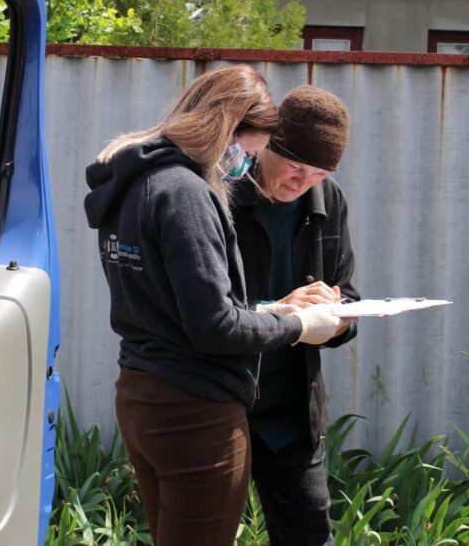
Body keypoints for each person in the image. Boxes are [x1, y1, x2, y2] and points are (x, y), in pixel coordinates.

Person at [83, 66, 352, 546]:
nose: (243, 168)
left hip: (149, 394)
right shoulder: (188, 193)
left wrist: (285, 313)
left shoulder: (135, 181)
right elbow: (214, 325)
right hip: (196, 406)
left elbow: (184, 306)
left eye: (319, 176)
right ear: (227, 132)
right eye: (249, 153)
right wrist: (297, 323)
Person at [231, 85, 359, 546]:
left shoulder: (330, 201)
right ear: (268, 144)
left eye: (319, 172)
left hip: (290, 413)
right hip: (220, 401)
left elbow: (348, 299)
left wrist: (339, 317)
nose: (303, 181)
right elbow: (205, 312)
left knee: (310, 536)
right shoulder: (218, 195)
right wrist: (287, 310)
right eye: (295, 167)